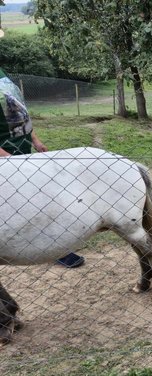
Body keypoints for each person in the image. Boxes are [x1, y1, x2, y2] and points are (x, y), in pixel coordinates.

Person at [0, 68, 85, 268]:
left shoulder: (2, 74)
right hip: (5, 159)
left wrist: (35, 140)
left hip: (22, 151)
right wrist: (7, 158)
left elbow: (20, 112)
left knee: (39, 200)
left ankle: (55, 246)